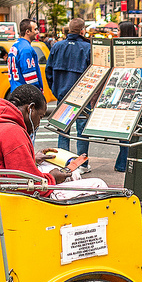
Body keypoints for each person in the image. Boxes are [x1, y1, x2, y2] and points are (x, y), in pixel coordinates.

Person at [0, 85, 106, 199]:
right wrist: (52, 178)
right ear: (30, 108)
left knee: (73, 174)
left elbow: (1, 162)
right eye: (39, 116)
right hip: (7, 198)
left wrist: (32, 158)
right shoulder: (13, 132)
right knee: (98, 185)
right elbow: (28, 186)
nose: (39, 122)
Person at [46, 17, 91, 170]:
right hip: (82, 96)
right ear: (82, 30)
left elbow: (49, 72)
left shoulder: (57, 46)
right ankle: (82, 163)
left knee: (63, 131)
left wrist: (56, 90)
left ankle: (63, 162)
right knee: (82, 131)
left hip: (62, 95)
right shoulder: (87, 47)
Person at [114, 21, 137, 172]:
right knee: (127, 129)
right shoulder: (136, 47)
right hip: (129, 90)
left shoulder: (118, 48)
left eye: (118, 30)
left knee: (125, 129)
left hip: (123, 91)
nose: (117, 33)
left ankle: (123, 162)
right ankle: (123, 162)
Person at [7, 18, 43, 93]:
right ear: (28, 32)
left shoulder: (16, 46)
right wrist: (37, 91)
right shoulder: (26, 49)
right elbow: (30, 76)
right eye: (35, 29)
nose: (37, 32)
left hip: (15, 89)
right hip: (26, 93)